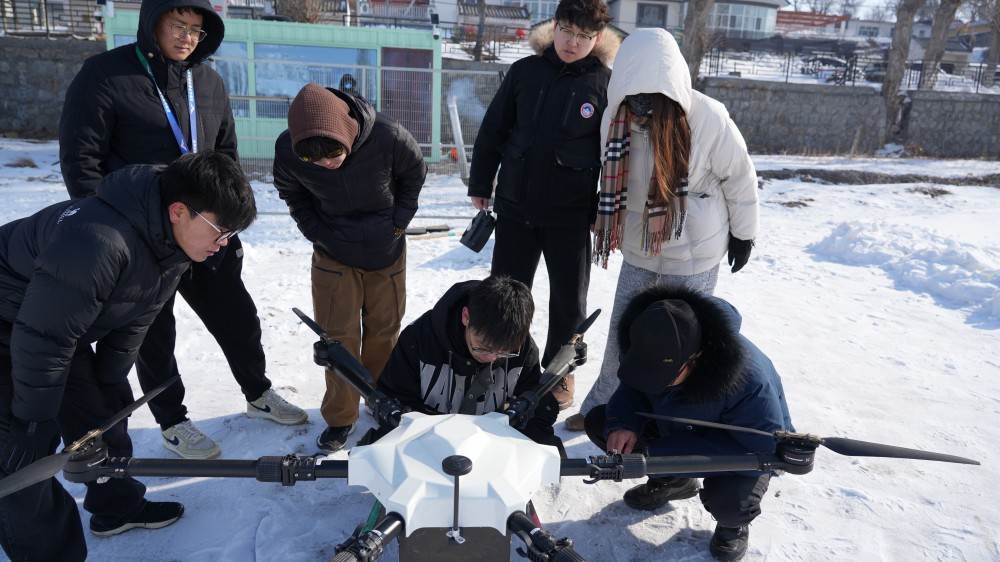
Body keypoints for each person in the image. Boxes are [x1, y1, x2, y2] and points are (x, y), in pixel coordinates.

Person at [58, 0, 306, 461]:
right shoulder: (105, 74)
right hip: (143, 238)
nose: (187, 36)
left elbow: (225, 153)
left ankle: (258, 392)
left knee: (238, 318)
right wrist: (108, 233)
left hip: (208, 232)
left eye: (196, 28)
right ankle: (172, 420)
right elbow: (81, 161)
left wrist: (227, 223)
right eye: (177, 24)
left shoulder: (207, 80)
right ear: (153, 24)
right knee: (153, 335)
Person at [0, 151, 257, 561]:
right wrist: (31, 424)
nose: (223, 244)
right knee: (21, 461)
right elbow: (43, 338)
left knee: (103, 416)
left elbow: (139, 316)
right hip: (14, 324)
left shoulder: (169, 242)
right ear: (179, 211)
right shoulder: (97, 241)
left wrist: (109, 377)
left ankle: (118, 509)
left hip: (57, 325)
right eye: (220, 229)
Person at [565, 27, 759, 431]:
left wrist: (744, 233)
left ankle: (668, 419)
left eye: (651, 94)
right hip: (640, 245)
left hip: (694, 249)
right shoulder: (615, 118)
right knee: (627, 330)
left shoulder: (706, 115)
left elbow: (740, 177)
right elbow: (609, 176)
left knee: (682, 344)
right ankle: (603, 404)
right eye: (635, 93)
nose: (642, 106)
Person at [467, 0, 620, 411]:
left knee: (569, 301)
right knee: (505, 293)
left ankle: (558, 374)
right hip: (516, 207)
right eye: (567, 31)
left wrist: (603, 213)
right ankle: (500, 365)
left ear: (598, 38)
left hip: (570, 215)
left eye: (584, 36)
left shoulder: (606, 84)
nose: (573, 42)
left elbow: (613, 155)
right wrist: (481, 181)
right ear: (555, 27)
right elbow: (494, 128)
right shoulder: (524, 71)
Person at [583, 286, 793, 561]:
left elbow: (761, 449)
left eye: (664, 375)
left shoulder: (749, 380)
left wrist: (664, 454)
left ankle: (733, 525)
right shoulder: (648, 340)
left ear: (696, 357)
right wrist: (623, 421)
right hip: (678, 427)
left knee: (730, 503)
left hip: (740, 450)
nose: (654, 381)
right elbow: (633, 387)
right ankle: (675, 482)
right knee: (601, 421)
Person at [273, 82, 426, 453]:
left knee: (383, 330)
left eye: (332, 153)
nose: (326, 163)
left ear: (346, 131)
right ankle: (341, 418)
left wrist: (399, 221)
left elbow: (414, 174)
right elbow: (291, 193)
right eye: (316, 160)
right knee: (337, 340)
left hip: (385, 247)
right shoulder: (288, 149)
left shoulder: (389, 136)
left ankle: (381, 400)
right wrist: (316, 232)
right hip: (332, 250)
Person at [374, 275, 564, 456]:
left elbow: (535, 407)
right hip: (425, 443)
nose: (491, 358)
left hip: (490, 447)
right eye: (482, 347)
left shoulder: (524, 349)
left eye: (504, 352)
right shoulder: (419, 339)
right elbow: (395, 397)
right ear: (466, 317)